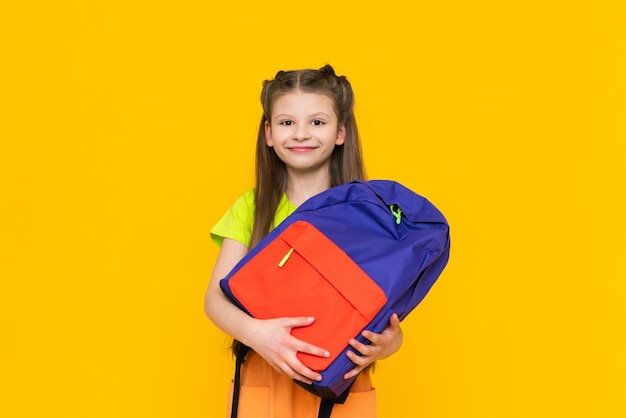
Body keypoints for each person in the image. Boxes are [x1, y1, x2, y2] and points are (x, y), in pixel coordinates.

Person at [204, 65, 403, 418]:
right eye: (286, 123)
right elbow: (215, 301)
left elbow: (389, 322)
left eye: (317, 122)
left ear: (341, 132)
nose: (300, 134)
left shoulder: (369, 216)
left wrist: (386, 345)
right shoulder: (251, 208)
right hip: (265, 377)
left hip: (339, 384)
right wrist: (257, 334)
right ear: (268, 133)